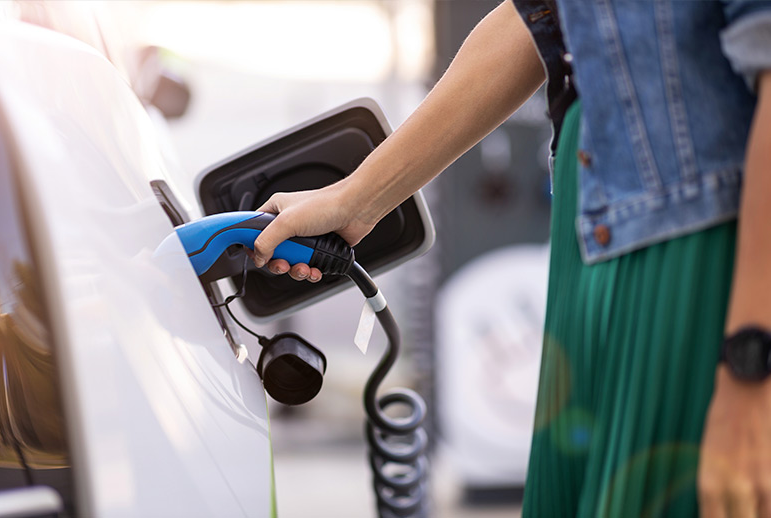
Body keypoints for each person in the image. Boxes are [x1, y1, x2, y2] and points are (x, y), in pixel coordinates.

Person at [251, 1, 771, 516]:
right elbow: (533, 17)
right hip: (592, 239)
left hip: (695, 250)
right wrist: (356, 199)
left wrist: (754, 369)